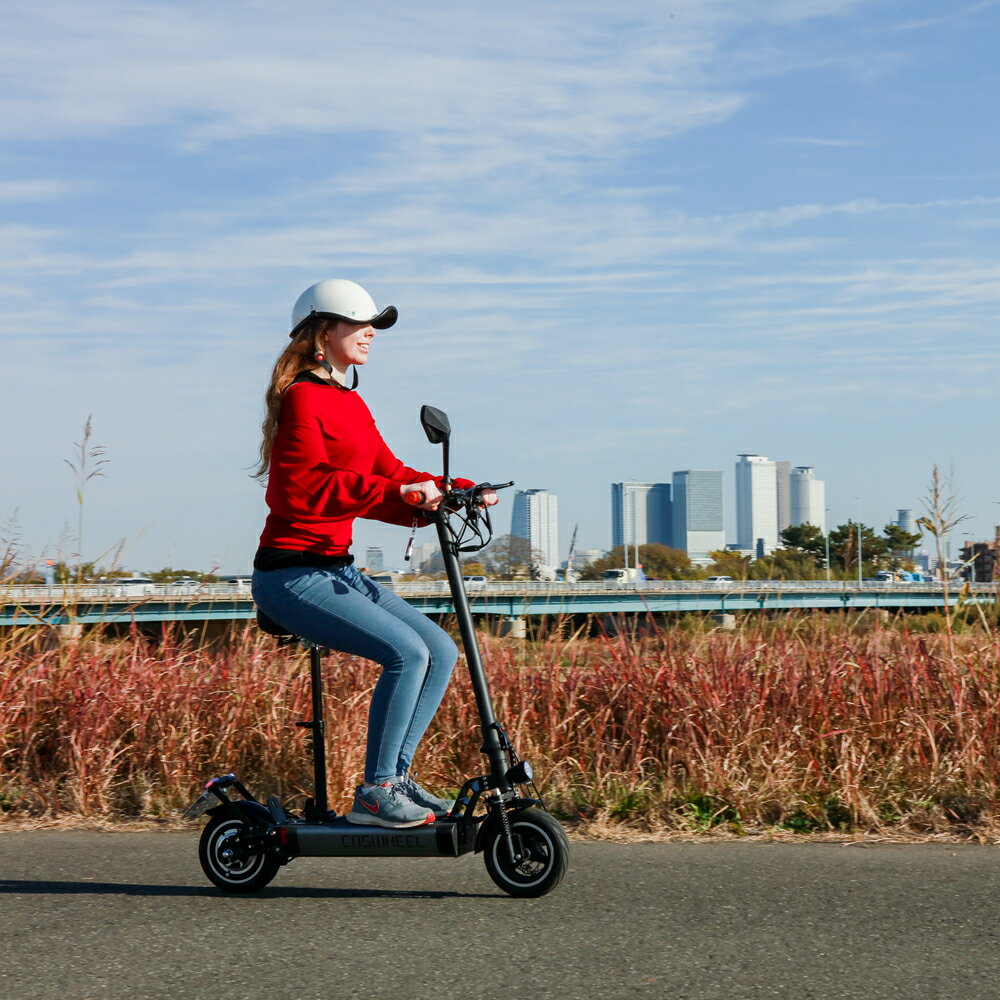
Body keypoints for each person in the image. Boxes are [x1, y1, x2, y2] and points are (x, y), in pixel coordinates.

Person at [251, 279, 496, 829]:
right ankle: (376, 790)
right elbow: (298, 490)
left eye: (373, 326)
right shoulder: (301, 400)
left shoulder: (350, 403)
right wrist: (395, 495)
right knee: (405, 653)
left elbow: (390, 473)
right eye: (359, 325)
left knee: (439, 649)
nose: (369, 335)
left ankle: (396, 778)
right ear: (323, 332)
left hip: (334, 568)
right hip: (290, 574)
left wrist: (455, 488)